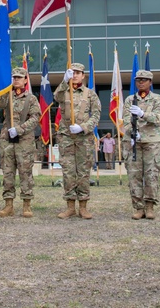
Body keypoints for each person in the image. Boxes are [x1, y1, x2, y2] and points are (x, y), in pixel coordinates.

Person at [53, 62, 102, 220]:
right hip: (66, 136)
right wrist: (63, 80)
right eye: (72, 72)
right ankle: (70, 207)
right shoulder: (64, 91)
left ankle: (83, 206)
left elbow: (96, 115)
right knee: (68, 172)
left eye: (77, 72)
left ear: (83, 75)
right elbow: (56, 97)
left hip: (84, 138)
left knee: (83, 172)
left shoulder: (90, 94)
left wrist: (83, 127)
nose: (74, 75)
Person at [0, 67, 40, 218]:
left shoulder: (31, 99)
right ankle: (8, 205)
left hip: (24, 140)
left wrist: (19, 129)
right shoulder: (7, 95)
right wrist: (4, 89)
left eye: (19, 77)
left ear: (26, 80)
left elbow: (35, 118)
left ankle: (26, 204)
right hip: (7, 140)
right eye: (14, 77)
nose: (16, 80)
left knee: (25, 172)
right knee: (7, 172)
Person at [123, 69, 160, 219]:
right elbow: (126, 120)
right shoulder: (130, 100)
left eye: (144, 80)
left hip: (152, 141)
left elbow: (157, 117)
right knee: (134, 175)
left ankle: (150, 206)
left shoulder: (157, 99)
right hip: (133, 142)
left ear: (150, 82)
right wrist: (132, 132)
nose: (141, 82)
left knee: (151, 174)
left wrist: (142, 114)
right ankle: (138, 207)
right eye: (138, 80)